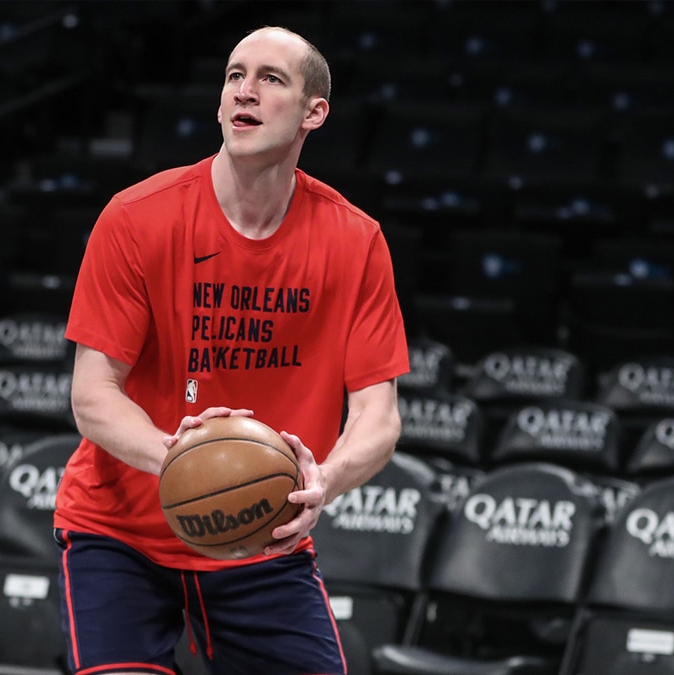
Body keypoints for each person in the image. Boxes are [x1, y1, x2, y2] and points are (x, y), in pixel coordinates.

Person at [55, 25, 409, 675]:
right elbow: (92, 392)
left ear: (314, 112)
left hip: (260, 534)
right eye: (234, 75)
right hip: (120, 532)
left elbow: (378, 413)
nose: (245, 90)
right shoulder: (137, 217)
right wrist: (184, 459)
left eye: (271, 78)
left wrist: (322, 480)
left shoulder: (355, 241)